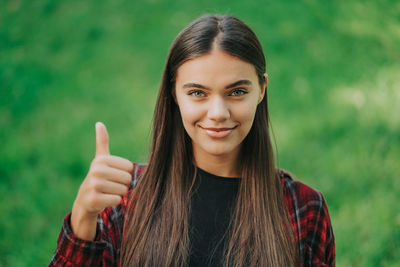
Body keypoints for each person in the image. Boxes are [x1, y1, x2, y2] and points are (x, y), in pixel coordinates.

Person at [49, 14, 335, 267]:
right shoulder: (124, 197)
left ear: (261, 90)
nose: (218, 113)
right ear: (174, 93)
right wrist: (84, 217)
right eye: (198, 93)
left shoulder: (303, 207)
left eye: (236, 92)